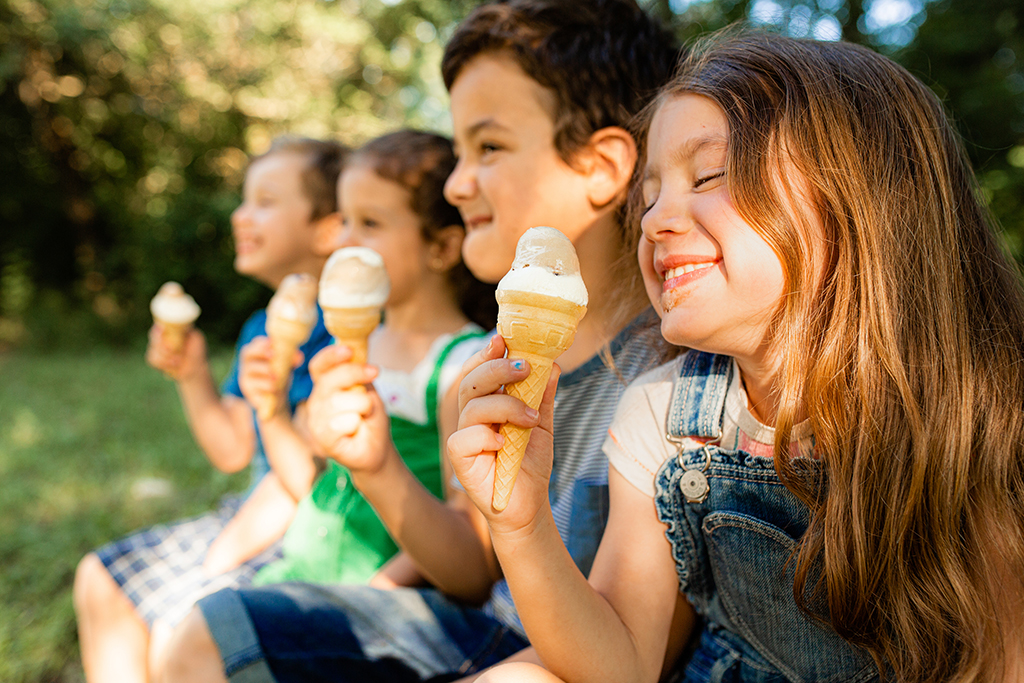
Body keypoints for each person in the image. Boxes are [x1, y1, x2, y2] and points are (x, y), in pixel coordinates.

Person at [448, 31, 1024, 683]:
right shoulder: (663, 413)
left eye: (711, 175)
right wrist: (521, 525)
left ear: (867, 199)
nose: (656, 219)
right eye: (650, 194)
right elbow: (622, 662)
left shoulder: (985, 408)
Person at [160, 1, 681, 682]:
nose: (456, 182)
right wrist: (375, 464)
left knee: (209, 634)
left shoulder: (668, 381)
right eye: (458, 150)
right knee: (205, 629)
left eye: (487, 147)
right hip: (475, 628)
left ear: (602, 165)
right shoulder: (493, 357)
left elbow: (633, 650)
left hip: (544, 657)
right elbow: (473, 568)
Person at [73, 136, 346, 683]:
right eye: (244, 201)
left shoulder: (352, 333)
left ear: (328, 229)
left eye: (265, 202)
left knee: (178, 635)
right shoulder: (260, 327)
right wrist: (192, 373)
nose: (241, 216)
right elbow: (232, 448)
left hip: (301, 529)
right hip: (247, 513)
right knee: (98, 578)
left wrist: (219, 556)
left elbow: (309, 480)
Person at [224, 129, 494, 593]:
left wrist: (379, 589)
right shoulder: (347, 347)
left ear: (442, 248)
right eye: (344, 221)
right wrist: (269, 407)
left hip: (382, 599)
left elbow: (470, 542)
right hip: (300, 575)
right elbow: (309, 481)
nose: (344, 241)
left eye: (370, 223)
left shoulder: (459, 367)